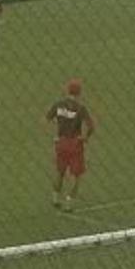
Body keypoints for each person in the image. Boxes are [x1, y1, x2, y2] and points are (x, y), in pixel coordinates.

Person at [45, 78, 96, 210]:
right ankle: (69, 203)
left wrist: (54, 136)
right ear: (79, 92)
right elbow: (91, 126)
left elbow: (46, 119)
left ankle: (55, 199)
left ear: (67, 90)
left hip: (61, 142)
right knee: (76, 175)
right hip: (74, 143)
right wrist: (85, 138)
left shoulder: (58, 104)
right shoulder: (80, 108)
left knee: (60, 171)